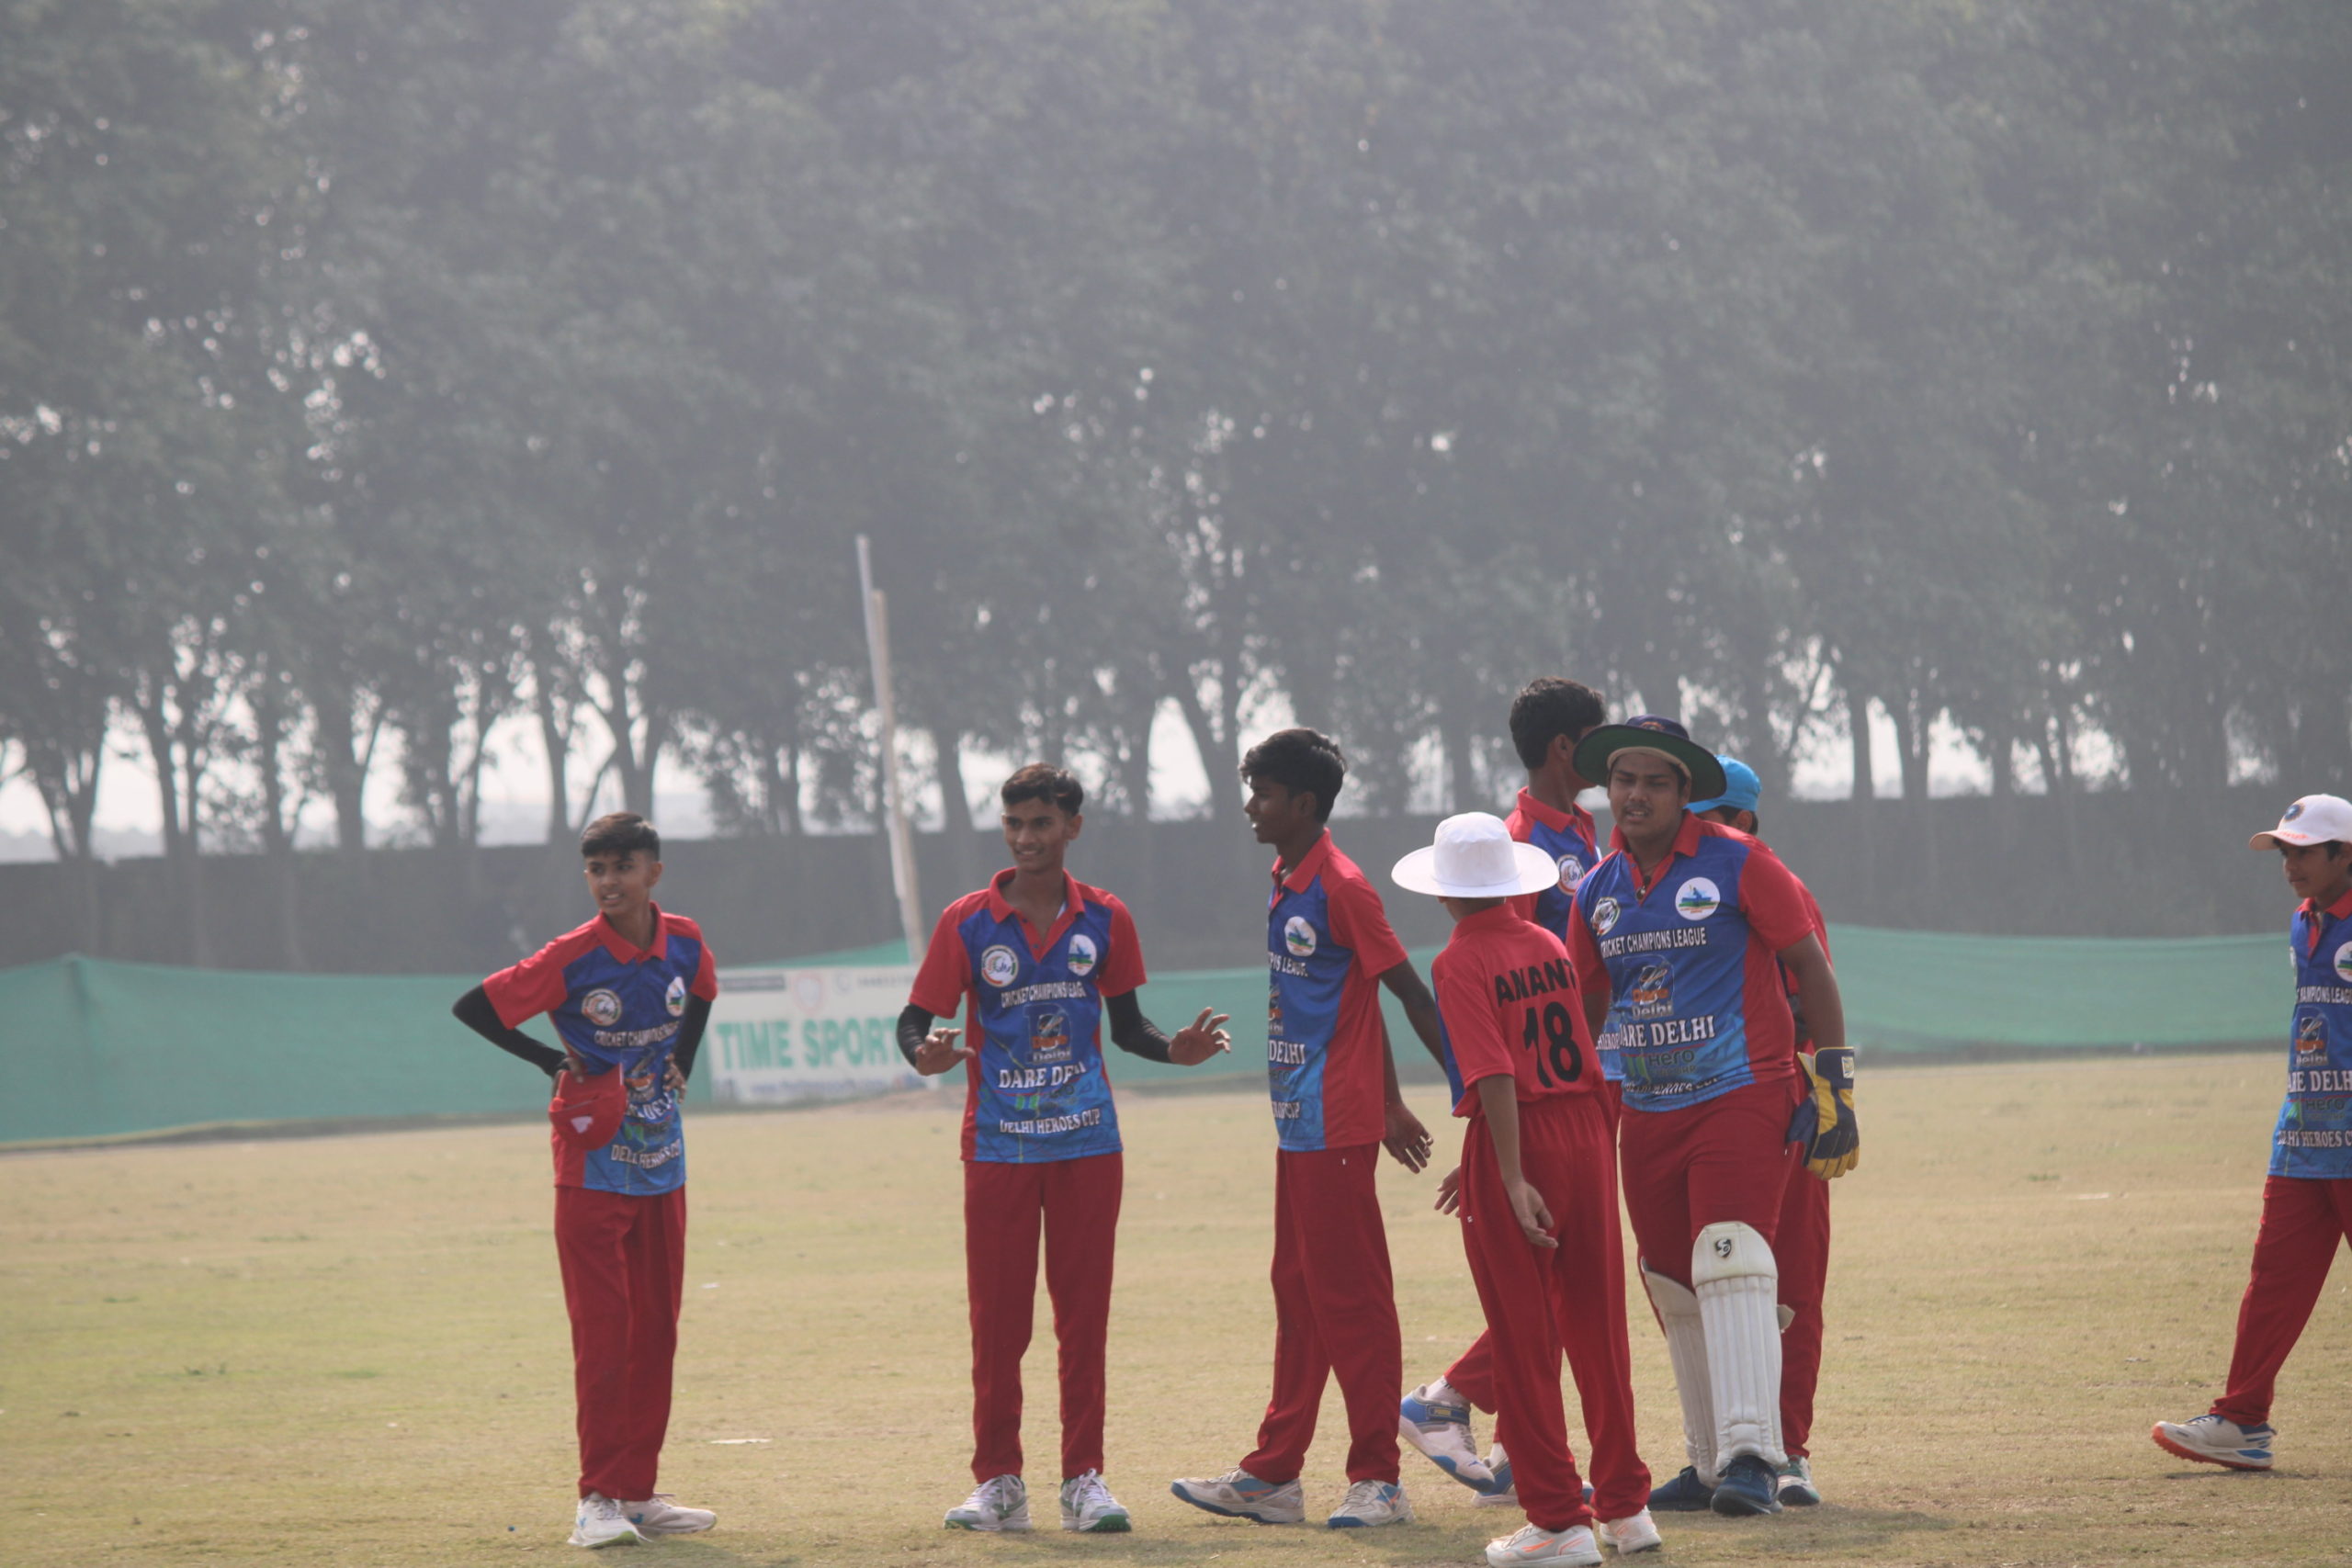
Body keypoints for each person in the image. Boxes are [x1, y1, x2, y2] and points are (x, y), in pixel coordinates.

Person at [900, 763, 1232, 1534]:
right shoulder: (967, 921)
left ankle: (1085, 1477)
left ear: (1072, 827)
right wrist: (925, 1054)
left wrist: (1172, 1051)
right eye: (1014, 824)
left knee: (1082, 1319)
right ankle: (1000, 1481)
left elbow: (1128, 1026)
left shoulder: (1106, 918)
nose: (1026, 839)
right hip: (998, 1147)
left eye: (1041, 824)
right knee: (999, 1321)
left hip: (1088, 1144)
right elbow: (915, 1020)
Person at [1566, 717, 1854, 1518]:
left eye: (1655, 781)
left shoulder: (1741, 862)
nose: (1635, 795)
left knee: (1731, 1263)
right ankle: (1705, 1461)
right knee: (1670, 1281)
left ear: (1686, 792)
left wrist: (1836, 1088)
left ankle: (1756, 1453)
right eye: (1623, 780)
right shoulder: (1597, 889)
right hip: (1648, 1109)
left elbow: (1811, 969)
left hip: (1743, 1095)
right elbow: (1588, 1014)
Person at [1170, 727, 1438, 1530]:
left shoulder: (1345, 886)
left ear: (1305, 803)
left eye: (1263, 792)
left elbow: (1408, 992)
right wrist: (1391, 1098)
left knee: (1354, 1299)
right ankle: (1274, 1474)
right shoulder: (1285, 875)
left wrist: (1469, 1085)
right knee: (1299, 1294)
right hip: (1298, 1124)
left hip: (1336, 1126)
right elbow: (1352, 996)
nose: (1251, 805)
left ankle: (1378, 1480)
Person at [1393, 812, 1659, 1568]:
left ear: (1445, 894)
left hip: (1526, 1137)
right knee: (1599, 1327)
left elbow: (1497, 1073)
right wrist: (1487, 1151)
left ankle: (1557, 1519)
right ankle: (1625, 1506)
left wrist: (1505, 1171)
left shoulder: (1456, 961)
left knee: (1524, 1337)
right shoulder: (1545, 940)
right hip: (1583, 1126)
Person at [449, 811, 721, 1550]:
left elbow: (702, 990)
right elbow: (474, 1006)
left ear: (653, 874)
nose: (608, 882)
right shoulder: (571, 955)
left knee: (656, 1334)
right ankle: (595, 1498)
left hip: (663, 1164)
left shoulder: (686, 938)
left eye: (623, 867)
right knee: (605, 1335)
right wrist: (549, 1060)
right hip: (592, 1168)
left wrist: (683, 1062)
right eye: (596, 869)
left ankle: (638, 1491)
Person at [1401, 678, 1610, 1504]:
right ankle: (1455, 1403)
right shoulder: (1518, 846)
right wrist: (1490, 1141)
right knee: (1556, 1283)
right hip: (1542, 1102)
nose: (1610, 761)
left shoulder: (1587, 831)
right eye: (1597, 741)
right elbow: (1495, 1006)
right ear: (1565, 747)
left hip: (1579, 1090)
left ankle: (1518, 1449)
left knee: (1567, 1281)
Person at [2152, 793, 2352, 1472]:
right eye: (2285, 850)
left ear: (2343, 854)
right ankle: (2242, 1421)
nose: (2290, 863)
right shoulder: (2303, 922)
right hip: (2302, 1138)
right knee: (2272, 1284)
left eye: (2304, 850)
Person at [1688, 755, 1850, 1507]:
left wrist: (1830, 1092)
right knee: (1710, 1282)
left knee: (1792, 1280)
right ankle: (1723, 1452)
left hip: (1785, 1099)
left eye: (1712, 814)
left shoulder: (1767, 878)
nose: (1698, 828)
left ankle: (1790, 1453)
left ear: (1746, 820)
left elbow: (1813, 997)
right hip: (1698, 1108)